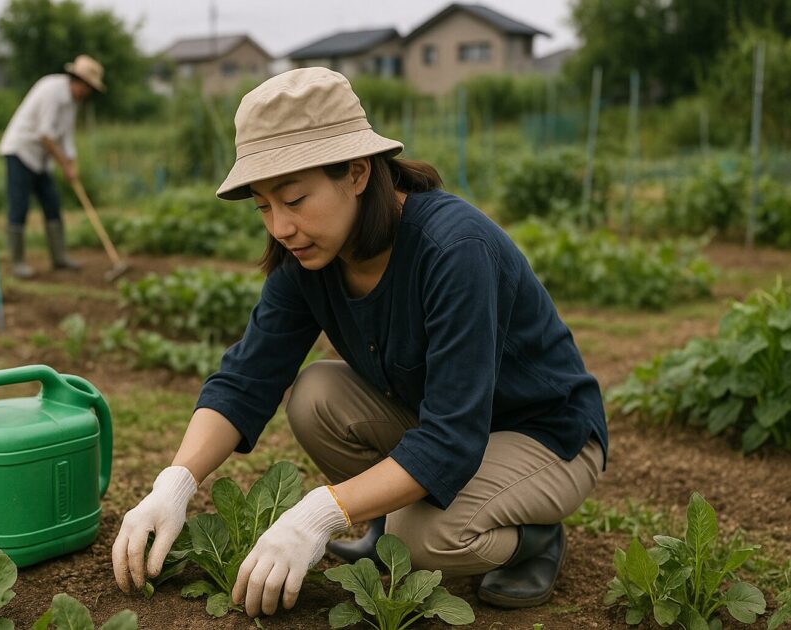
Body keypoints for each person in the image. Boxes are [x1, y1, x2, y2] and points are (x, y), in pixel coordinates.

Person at [112, 67, 608, 617]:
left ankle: (533, 539)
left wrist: (319, 513)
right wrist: (175, 484)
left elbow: (452, 440)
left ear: (355, 172)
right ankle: (386, 519)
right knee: (316, 393)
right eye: (263, 206)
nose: (280, 226)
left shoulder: (454, 249)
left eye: (295, 199)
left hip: (544, 436)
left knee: (420, 543)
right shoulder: (308, 259)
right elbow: (246, 378)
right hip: (447, 424)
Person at [0, 54, 105, 278]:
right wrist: (64, 164)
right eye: (88, 88)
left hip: (42, 159)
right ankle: (17, 263)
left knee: (52, 203)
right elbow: (45, 135)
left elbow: (66, 138)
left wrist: (72, 164)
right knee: (19, 206)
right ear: (79, 82)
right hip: (21, 151)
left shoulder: (72, 103)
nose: (88, 94)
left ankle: (59, 257)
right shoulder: (51, 91)